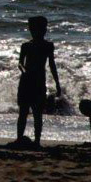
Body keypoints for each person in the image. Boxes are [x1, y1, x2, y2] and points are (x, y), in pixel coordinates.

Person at [14, 16, 61, 148]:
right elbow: (20, 63)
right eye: (32, 29)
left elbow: (52, 65)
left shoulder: (48, 46)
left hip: (39, 82)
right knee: (23, 112)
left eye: (38, 29)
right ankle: (20, 138)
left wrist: (57, 83)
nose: (34, 32)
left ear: (44, 30)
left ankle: (37, 141)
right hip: (26, 82)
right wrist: (24, 71)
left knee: (37, 113)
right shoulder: (26, 46)